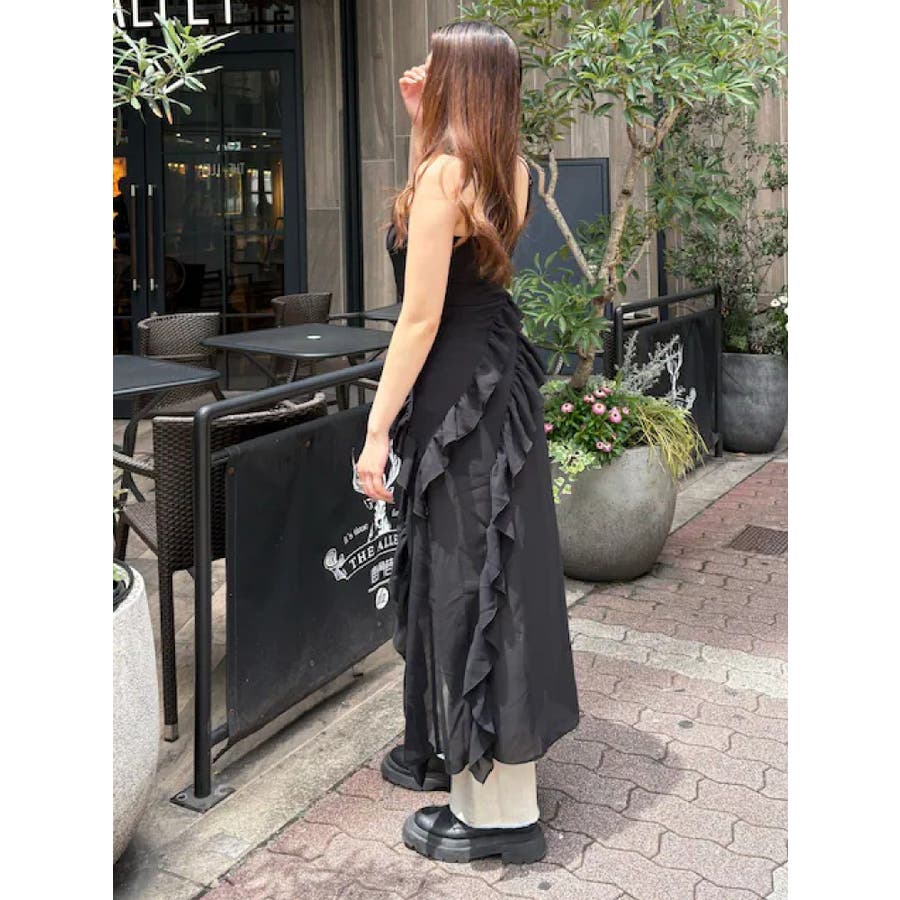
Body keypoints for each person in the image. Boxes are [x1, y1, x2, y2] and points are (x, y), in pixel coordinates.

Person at [353, 20, 580, 865]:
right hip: (494, 376)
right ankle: (464, 758)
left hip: (455, 388)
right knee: (490, 565)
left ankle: (498, 815)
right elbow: (448, 251)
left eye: (437, 63)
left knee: (470, 576)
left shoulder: (447, 174)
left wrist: (376, 431)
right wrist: (425, 124)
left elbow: (418, 315)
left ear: (461, 79)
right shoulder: (504, 167)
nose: (421, 69)